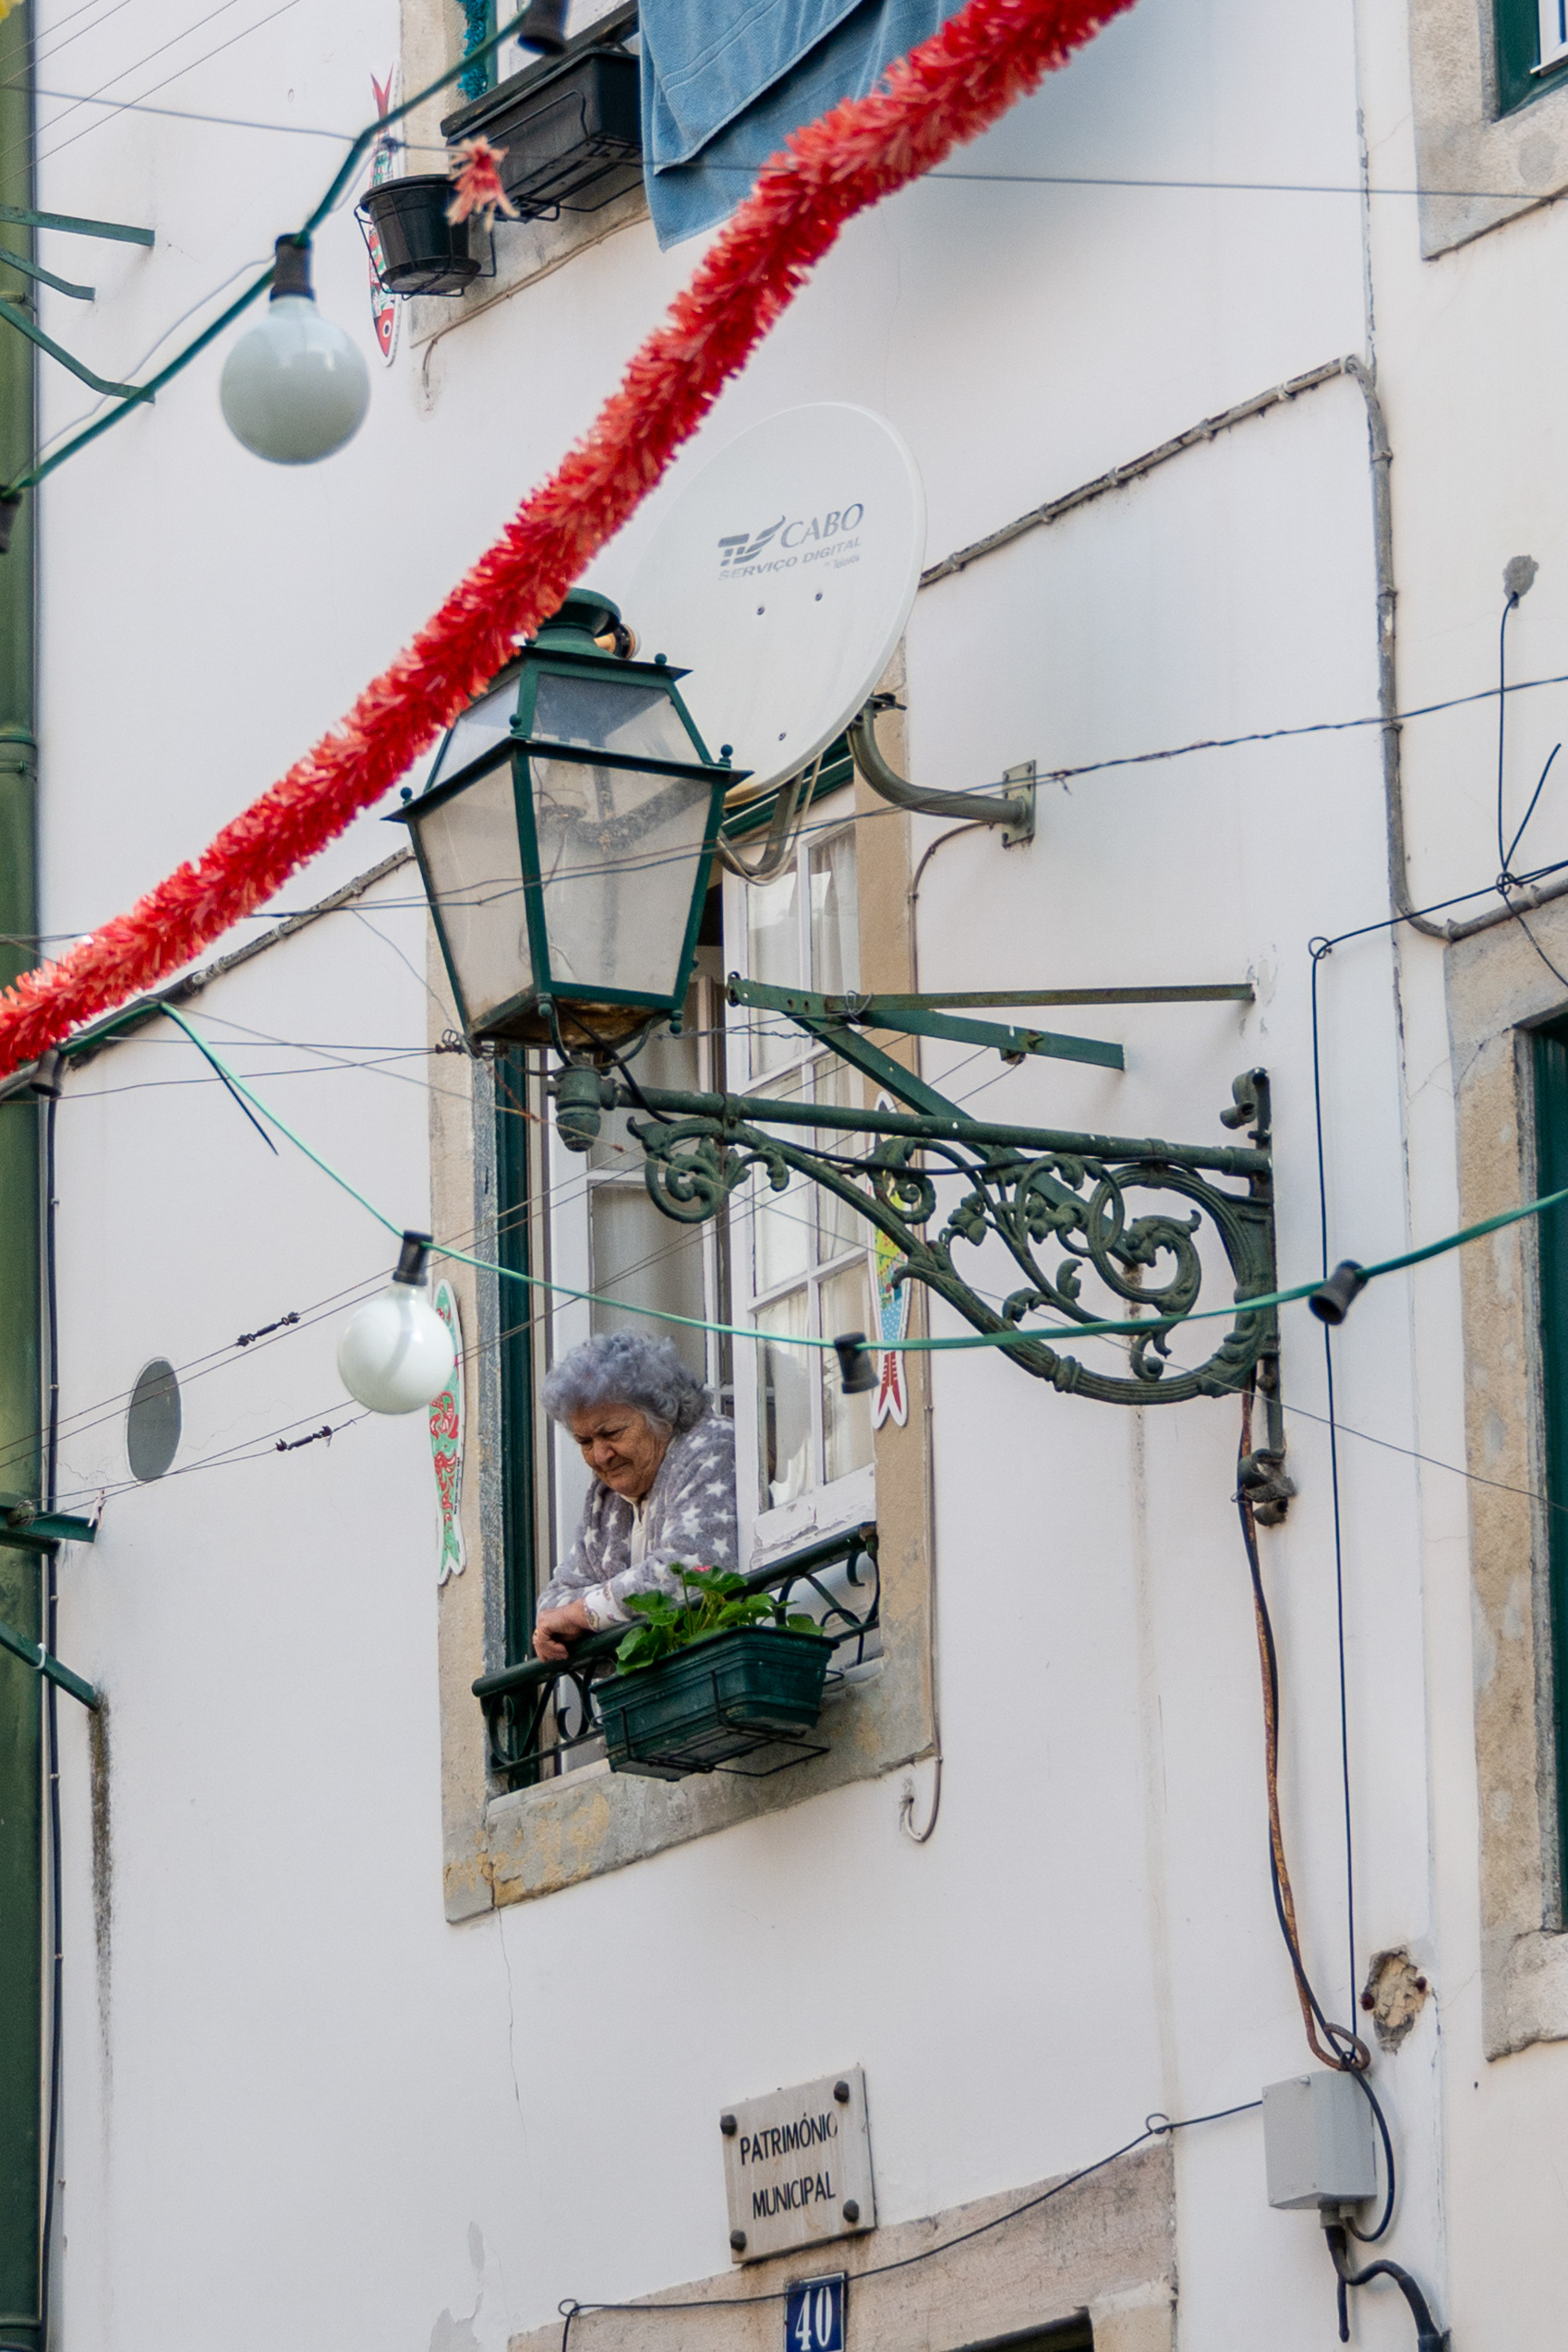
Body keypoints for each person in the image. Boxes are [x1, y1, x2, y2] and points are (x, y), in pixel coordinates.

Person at [532, 1331, 739, 1662]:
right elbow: (552, 1604)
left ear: (663, 1415)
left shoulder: (713, 1446)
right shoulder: (605, 1497)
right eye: (585, 1442)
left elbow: (690, 1569)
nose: (600, 1455)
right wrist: (592, 1610)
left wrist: (583, 1613)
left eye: (612, 1433)